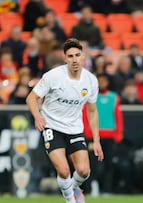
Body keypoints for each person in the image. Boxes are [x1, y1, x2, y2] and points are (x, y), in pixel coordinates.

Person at [26, 38, 104, 203]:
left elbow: (92, 111)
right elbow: (31, 98)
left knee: (83, 171)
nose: (74, 59)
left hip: (74, 128)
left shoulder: (91, 81)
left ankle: (74, 188)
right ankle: (70, 200)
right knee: (63, 170)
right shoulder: (53, 76)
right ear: (65, 58)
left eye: (77, 55)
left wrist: (96, 140)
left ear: (83, 56)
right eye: (70, 56)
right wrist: (38, 116)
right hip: (52, 126)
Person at [83, 73, 123, 195]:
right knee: (91, 164)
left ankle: (107, 190)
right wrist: (87, 132)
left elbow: (118, 116)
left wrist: (119, 133)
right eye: (99, 81)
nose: (101, 83)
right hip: (94, 136)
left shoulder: (114, 97)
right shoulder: (89, 97)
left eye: (103, 81)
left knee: (109, 164)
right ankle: (88, 189)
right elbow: (85, 115)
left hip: (110, 136)